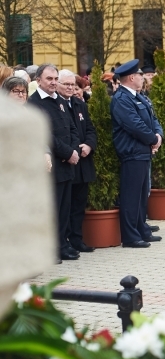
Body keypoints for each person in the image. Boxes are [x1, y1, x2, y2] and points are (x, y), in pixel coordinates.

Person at [29, 64, 80, 263]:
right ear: (38, 80)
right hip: (52, 165)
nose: (53, 82)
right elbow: (45, 135)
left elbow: (72, 128)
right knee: (52, 209)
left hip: (67, 164)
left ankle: (62, 245)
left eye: (55, 78)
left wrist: (74, 150)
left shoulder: (59, 100)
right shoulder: (34, 103)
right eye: (49, 79)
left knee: (64, 208)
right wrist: (68, 153)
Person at [110, 59, 164, 248]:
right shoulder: (122, 99)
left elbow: (153, 118)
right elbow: (134, 125)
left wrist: (158, 135)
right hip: (132, 151)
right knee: (131, 196)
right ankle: (130, 236)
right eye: (140, 75)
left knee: (141, 195)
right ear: (132, 77)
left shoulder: (137, 96)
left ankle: (141, 229)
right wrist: (152, 139)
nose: (143, 78)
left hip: (143, 151)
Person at [58, 70, 97, 253]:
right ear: (57, 85)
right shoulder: (56, 104)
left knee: (79, 205)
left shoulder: (79, 104)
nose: (70, 88)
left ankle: (77, 239)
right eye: (66, 84)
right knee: (66, 205)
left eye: (73, 84)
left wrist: (88, 145)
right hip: (66, 161)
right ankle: (64, 241)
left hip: (83, 162)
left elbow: (90, 128)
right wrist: (72, 150)